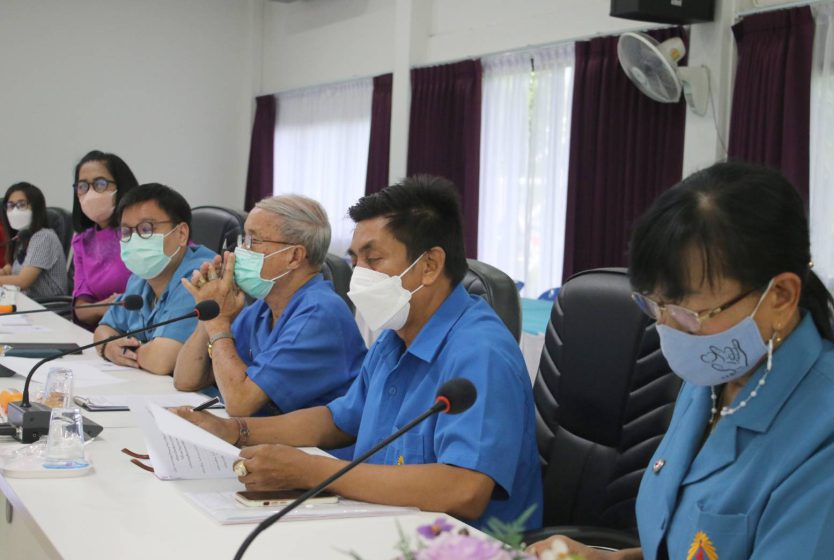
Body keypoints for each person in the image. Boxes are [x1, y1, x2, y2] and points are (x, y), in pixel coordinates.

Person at [175, 176, 543, 529]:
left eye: (374, 259)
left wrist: (312, 471)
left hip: (453, 544)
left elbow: (464, 490)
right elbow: (339, 420)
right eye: (355, 260)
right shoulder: (395, 337)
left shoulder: (481, 352)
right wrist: (235, 430)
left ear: (429, 266)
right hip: (379, 522)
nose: (359, 274)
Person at [529, 162, 834, 559]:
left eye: (687, 313)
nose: (666, 327)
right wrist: (609, 558)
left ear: (780, 296)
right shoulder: (714, 373)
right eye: (655, 305)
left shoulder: (826, 434)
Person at [173, 194, 366, 418]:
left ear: (294, 256)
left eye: (253, 241)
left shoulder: (319, 314)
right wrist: (211, 311)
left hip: (309, 440)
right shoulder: (263, 308)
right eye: (243, 239)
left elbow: (239, 403)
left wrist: (219, 323)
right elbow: (185, 380)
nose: (239, 251)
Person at [94, 183, 216, 375]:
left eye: (146, 229)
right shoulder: (140, 278)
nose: (134, 240)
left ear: (181, 234)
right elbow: (104, 329)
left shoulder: (200, 276)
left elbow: (162, 360)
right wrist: (108, 347)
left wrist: (125, 351)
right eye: (126, 232)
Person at [71, 150, 139, 328]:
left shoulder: (142, 232)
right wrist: (106, 306)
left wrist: (98, 308)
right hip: (100, 330)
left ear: (121, 186)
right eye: (82, 186)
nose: (90, 193)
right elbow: (80, 310)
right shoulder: (82, 241)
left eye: (100, 184)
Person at [0, 183, 67, 298]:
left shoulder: (43, 237)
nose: (14, 210)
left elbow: (23, 281)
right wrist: (4, 272)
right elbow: (10, 269)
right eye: (10, 205)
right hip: (25, 302)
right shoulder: (23, 237)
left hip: (48, 306)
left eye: (21, 204)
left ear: (36, 207)